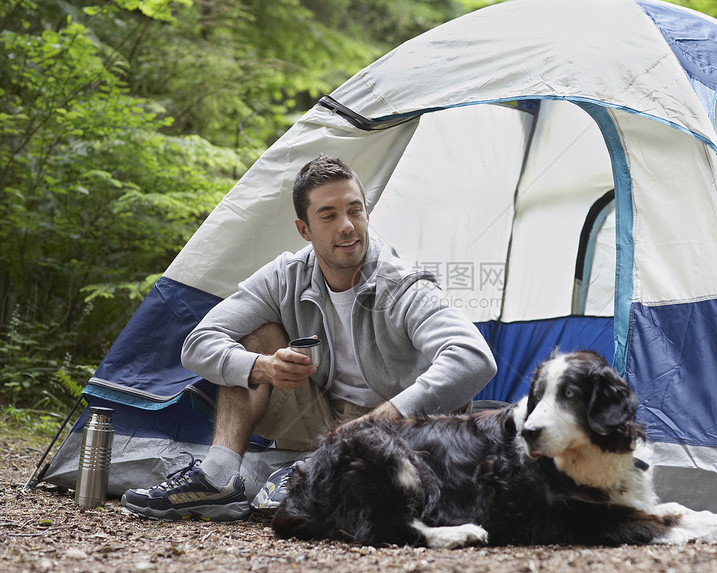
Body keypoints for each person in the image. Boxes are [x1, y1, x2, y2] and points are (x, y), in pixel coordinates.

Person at [120, 154, 497, 521]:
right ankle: (217, 480)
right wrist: (262, 367)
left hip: (401, 428)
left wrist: (386, 417)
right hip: (322, 414)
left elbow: (473, 357)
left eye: (354, 210)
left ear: (367, 212)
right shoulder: (286, 275)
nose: (346, 226)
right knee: (254, 339)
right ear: (304, 229)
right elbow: (199, 342)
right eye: (328, 216)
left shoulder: (403, 285)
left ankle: (311, 471)